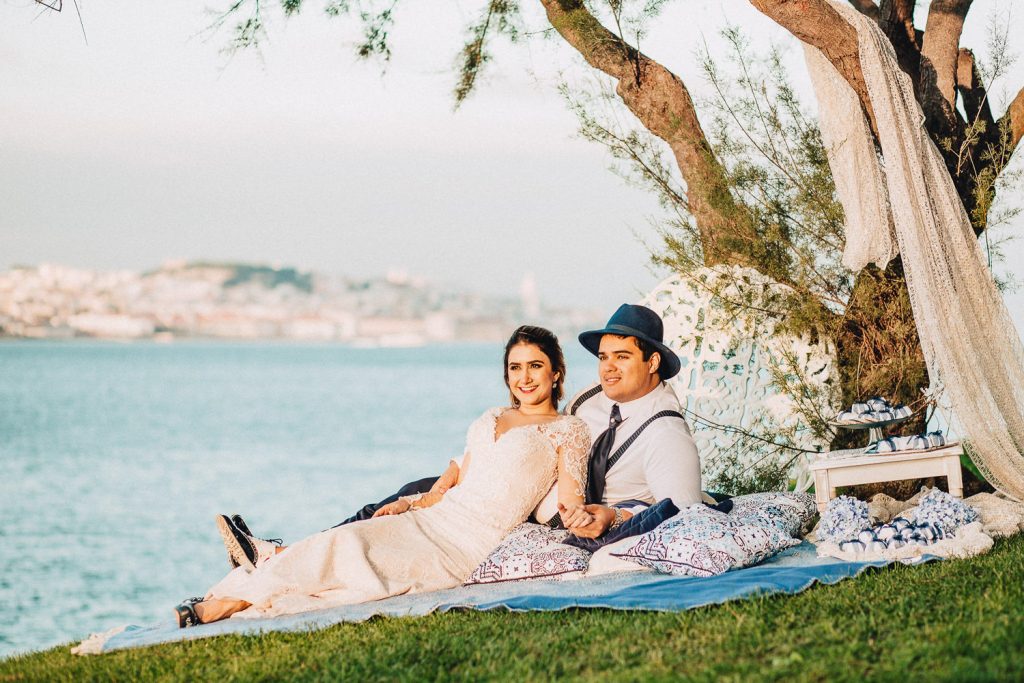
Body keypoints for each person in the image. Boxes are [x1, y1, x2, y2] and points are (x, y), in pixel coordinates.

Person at [176, 325, 590, 627]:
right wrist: (408, 503)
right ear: (507, 375)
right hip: (430, 519)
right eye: (515, 367)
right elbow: (451, 482)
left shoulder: (567, 430)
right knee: (346, 538)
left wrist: (585, 518)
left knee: (362, 574)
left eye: (536, 366)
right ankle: (239, 593)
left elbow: (571, 500)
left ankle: (229, 602)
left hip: (466, 546)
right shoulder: (490, 417)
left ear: (556, 373)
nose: (525, 377)